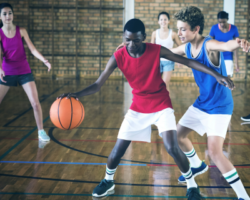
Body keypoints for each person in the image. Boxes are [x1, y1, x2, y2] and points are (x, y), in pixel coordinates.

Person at [59, 18, 235, 199]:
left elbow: (187, 62)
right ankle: (108, 181)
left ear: (143, 37)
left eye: (135, 40)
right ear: (123, 38)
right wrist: (76, 94)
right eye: (127, 40)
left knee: (172, 147)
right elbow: (97, 84)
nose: (131, 44)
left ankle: (192, 187)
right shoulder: (118, 56)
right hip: (138, 107)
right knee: (117, 150)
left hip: (161, 105)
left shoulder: (155, 50)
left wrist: (216, 74)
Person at [168, 6, 249, 200]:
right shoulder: (186, 46)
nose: (179, 33)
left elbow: (227, 46)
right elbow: (166, 51)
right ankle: (196, 164)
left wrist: (239, 42)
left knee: (214, 152)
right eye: (178, 29)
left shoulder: (208, 44)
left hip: (220, 105)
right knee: (177, 136)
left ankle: (243, 196)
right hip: (202, 103)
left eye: (183, 29)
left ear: (196, 29)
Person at [0, 3, 50, 141]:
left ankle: (41, 132)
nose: (7, 16)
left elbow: (32, 49)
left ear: (13, 15)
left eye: (10, 13)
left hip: (24, 71)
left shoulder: (21, 31)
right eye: (4, 14)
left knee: (35, 103)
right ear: (0, 17)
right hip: (7, 71)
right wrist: (0, 70)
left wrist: (44, 60)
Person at [151, 11, 181, 92]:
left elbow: (181, 47)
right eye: (161, 19)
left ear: (168, 21)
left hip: (169, 62)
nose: (163, 21)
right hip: (157, 62)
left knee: (164, 84)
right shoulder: (154, 33)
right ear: (158, 21)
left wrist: (179, 60)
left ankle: (166, 104)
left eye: (165, 19)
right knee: (156, 84)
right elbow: (151, 49)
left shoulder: (173, 34)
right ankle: (157, 102)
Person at [209, 11, 240, 77]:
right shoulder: (214, 28)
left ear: (227, 19)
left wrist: (236, 62)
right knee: (217, 78)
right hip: (216, 56)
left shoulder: (234, 28)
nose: (222, 24)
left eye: (224, 22)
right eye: (220, 22)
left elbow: (236, 46)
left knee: (227, 79)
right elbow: (209, 43)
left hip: (228, 57)